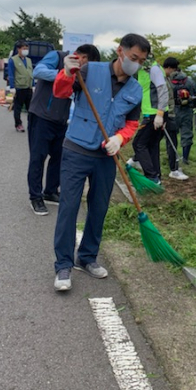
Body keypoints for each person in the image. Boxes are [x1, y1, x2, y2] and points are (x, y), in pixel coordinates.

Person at [51, 33, 149, 292]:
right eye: (133, 57)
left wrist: (120, 138)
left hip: (106, 156)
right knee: (69, 207)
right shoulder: (88, 70)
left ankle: (87, 258)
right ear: (120, 51)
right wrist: (67, 73)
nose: (135, 63)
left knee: (98, 208)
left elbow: (131, 123)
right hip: (76, 149)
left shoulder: (135, 89)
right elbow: (61, 92)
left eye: (141, 60)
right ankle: (63, 264)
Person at [27, 44, 101, 216]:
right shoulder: (58, 56)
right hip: (41, 116)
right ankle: (35, 197)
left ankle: (50, 191)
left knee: (58, 157)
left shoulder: (81, 73)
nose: (86, 70)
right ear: (82, 58)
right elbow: (38, 71)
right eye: (87, 65)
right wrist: (65, 73)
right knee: (38, 158)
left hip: (61, 119)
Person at [131, 56, 169, 184]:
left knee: (139, 144)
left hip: (154, 114)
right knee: (152, 145)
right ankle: (156, 176)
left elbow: (163, 90)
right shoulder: (143, 70)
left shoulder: (153, 69)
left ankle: (151, 176)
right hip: (152, 112)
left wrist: (160, 114)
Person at [162, 57, 196, 165]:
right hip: (187, 112)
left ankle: (172, 158)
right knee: (187, 134)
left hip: (171, 111)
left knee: (170, 136)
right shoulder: (189, 81)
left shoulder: (168, 81)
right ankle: (185, 158)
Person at [162, 69, 189, 181]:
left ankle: (135, 160)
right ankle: (174, 169)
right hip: (167, 115)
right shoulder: (164, 81)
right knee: (172, 142)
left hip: (168, 115)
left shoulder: (167, 80)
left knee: (151, 140)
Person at [8, 40, 34, 133]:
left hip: (28, 87)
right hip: (19, 87)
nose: (25, 50)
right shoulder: (13, 60)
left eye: (27, 49)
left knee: (31, 108)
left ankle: (32, 124)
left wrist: (33, 85)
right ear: (18, 49)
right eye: (24, 48)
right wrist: (12, 87)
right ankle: (18, 124)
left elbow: (31, 73)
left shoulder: (28, 60)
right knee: (18, 108)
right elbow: (11, 74)